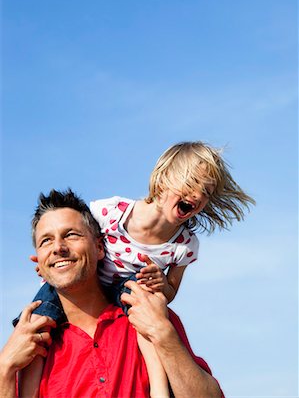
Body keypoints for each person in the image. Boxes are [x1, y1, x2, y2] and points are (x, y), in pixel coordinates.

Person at [28, 141, 255, 396]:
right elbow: (80, 237)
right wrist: (55, 266)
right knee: (33, 331)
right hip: (89, 287)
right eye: (191, 183)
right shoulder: (111, 212)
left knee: (147, 318)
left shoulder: (184, 245)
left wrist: (161, 286)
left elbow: (169, 292)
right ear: (162, 180)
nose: (198, 195)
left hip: (130, 290)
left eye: (206, 192)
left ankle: (159, 391)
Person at [0, 189, 224, 398]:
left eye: (71, 235)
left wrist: (165, 336)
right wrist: (4, 368)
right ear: (38, 258)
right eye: (46, 240)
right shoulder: (33, 343)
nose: (58, 247)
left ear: (99, 248)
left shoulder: (147, 315)